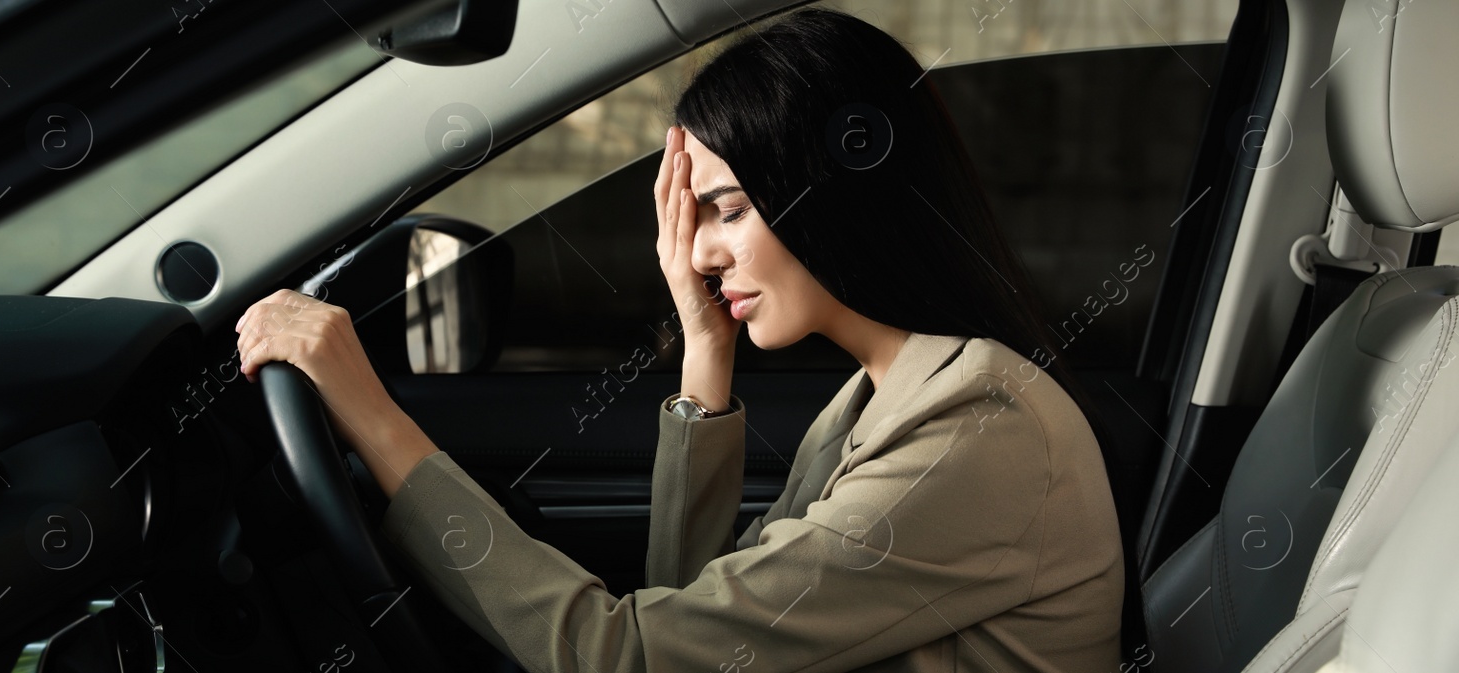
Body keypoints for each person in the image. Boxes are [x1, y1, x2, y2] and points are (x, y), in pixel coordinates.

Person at [234, 7, 1125, 671]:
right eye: (696, 218)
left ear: (837, 194)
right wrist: (705, 347)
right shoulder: (876, 399)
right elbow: (692, 614)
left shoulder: (973, 426)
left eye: (729, 210)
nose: (697, 250)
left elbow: (627, 655)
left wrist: (370, 414)